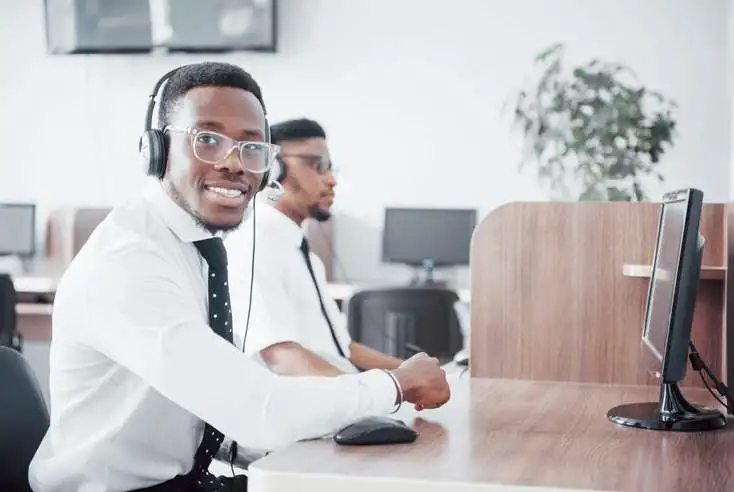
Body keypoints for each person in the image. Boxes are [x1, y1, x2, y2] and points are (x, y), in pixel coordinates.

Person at [28, 63, 450, 492]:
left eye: (251, 148)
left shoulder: (195, 250)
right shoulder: (128, 262)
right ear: (156, 150)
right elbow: (259, 412)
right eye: (207, 140)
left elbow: (230, 414)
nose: (234, 163)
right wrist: (396, 385)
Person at [225, 118, 405, 378]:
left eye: (331, 168)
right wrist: (379, 395)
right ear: (272, 170)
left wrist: (414, 372)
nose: (331, 180)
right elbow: (281, 358)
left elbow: (343, 349)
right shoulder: (255, 245)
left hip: (339, 394)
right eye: (317, 166)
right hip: (307, 408)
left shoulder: (304, 253)